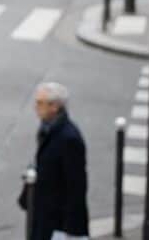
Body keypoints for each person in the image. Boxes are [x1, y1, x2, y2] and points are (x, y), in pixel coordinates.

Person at [24, 82, 89, 240]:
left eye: (40, 103)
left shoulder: (69, 138)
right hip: (45, 212)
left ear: (54, 107)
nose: (35, 107)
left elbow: (76, 186)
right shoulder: (49, 128)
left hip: (57, 221)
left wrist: (71, 229)